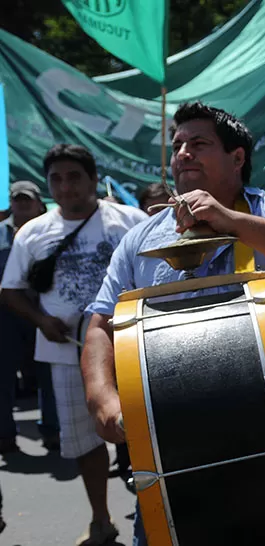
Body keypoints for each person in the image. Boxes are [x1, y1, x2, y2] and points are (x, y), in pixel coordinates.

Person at [79, 102, 265, 545]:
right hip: (166, 445)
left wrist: (228, 219)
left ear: (237, 158)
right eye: (178, 145)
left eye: (198, 144)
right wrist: (103, 398)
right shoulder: (141, 235)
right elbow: (101, 321)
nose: (183, 154)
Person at [0, 145, 148, 545]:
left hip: (135, 352)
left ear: (93, 179)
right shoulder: (32, 232)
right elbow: (10, 290)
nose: (65, 187)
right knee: (85, 442)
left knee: (148, 436)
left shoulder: (130, 222)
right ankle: (101, 519)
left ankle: (155, 516)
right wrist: (41, 321)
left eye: (73, 177)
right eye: (56, 179)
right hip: (66, 357)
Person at [0, 181, 48, 454]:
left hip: (43, 312)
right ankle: (4, 436)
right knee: (3, 378)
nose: (21, 203)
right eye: (17, 199)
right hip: (5, 316)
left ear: (38, 202)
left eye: (26, 199)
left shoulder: (50, 231)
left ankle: (55, 431)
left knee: (50, 374)